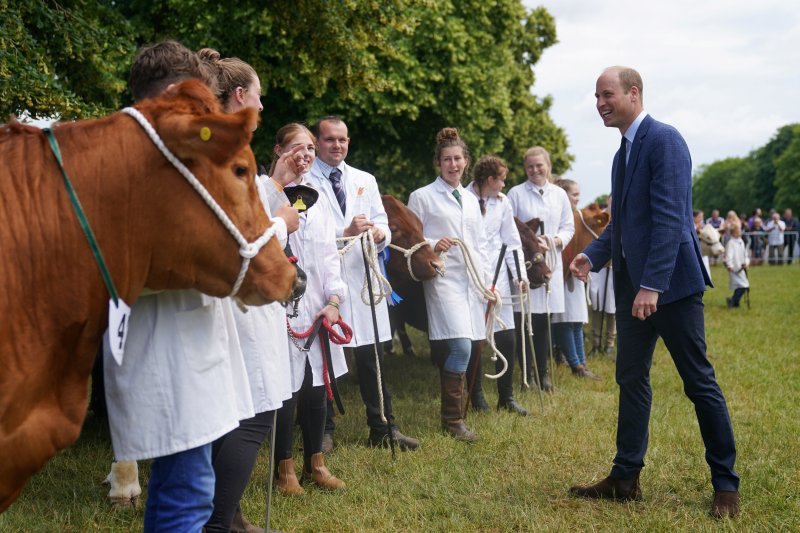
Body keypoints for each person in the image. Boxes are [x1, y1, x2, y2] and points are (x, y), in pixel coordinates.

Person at [103, 41, 262, 533]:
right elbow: (126, 264)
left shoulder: (162, 155)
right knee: (187, 497)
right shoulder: (129, 160)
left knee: (183, 489)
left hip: (185, 348)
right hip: (163, 350)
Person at [568, 66, 740, 519]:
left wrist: (652, 286)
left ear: (633, 93)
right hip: (633, 293)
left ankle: (725, 486)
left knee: (698, 382)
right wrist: (594, 255)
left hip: (672, 289)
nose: (600, 103)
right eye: (596, 96)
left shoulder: (665, 140)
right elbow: (624, 224)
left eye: (607, 94)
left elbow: (669, 220)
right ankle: (625, 478)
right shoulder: (621, 154)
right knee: (631, 380)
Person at [196, 49, 299, 533]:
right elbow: (239, 235)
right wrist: (281, 222)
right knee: (254, 413)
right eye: (258, 95)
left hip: (232, 297)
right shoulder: (225, 150)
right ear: (240, 95)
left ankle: (230, 516)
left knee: (236, 408)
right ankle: (217, 524)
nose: (262, 104)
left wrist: (276, 187)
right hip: (241, 297)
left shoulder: (214, 145)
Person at [307, 116, 419, 451]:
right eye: (329, 140)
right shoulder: (305, 181)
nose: (337, 145)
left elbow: (381, 221)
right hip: (325, 282)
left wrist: (379, 233)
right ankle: (323, 430)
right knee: (324, 358)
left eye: (342, 140)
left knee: (372, 357)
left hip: (363, 278)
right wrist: (345, 234)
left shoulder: (364, 180)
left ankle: (384, 427)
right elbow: (304, 231)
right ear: (317, 142)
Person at [273, 123, 348, 494]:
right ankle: (283, 469)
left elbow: (330, 256)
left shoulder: (319, 200)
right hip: (280, 311)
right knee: (288, 389)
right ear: (279, 152)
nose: (304, 154)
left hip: (318, 309)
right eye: (295, 148)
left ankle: (315, 463)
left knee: (318, 388)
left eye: (308, 148)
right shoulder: (266, 196)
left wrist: (334, 301)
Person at [408, 127, 491, 442]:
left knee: (469, 345)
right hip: (443, 280)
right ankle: (453, 421)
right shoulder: (422, 196)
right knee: (460, 346)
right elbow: (410, 240)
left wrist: (486, 286)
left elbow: (480, 244)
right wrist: (433, 243)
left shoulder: (471, 200)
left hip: (471, 283)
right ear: (438, 163)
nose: (453, 164)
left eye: (458, 159)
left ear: (466, 162)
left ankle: (456, 416)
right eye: (447, 160)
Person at [465, 155, 530, 416]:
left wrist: (519, 275)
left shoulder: (503, 203)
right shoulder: (465, 198)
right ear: (490, 179)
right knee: (476, 337)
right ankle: (477, 395)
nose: (504, 184)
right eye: (502, 179)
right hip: (472, 274)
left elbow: (511, 240)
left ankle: (507, 396)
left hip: (500, 275)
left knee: (507, 336)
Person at [507, 146, 575, 391]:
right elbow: (510, 227)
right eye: (530, 166)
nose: (535, 170)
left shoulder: (559, 195)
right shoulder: (515, 194)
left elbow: (568, 227)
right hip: (526, 265)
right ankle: (527, 375)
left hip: (550, 263)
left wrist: (555, 240)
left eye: (539, 165)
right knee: (525, 321)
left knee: (544, 321)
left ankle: (544, 374)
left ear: (548, 165)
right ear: (525, 168)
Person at [552, 179, 600, 380]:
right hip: (561, 276)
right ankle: (576, 365)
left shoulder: (576, 216)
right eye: (574, 195)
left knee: (577, 321)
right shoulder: (559, 217)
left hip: (575, 275)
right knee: (565, 321)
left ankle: (582, 364)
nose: (577, 199)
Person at [724, 222, 749, 308]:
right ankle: (733, 301)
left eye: (739, 231)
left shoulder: (741, 241)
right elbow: (728, 255)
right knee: (743, 285)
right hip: (734, 268)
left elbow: (745, 253)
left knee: (742, 285)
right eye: (737, 231)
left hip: (741, 267)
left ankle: (734, 302)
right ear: (732, 232)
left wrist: (746, 262)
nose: (739, 232)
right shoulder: (731, 243)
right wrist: (729, 265)